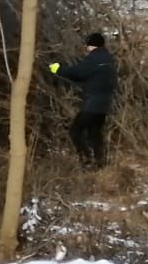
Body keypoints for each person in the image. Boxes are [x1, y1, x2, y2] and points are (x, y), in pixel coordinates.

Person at [48, 32, 117, 168]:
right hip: (104, 104)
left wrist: (58, 69)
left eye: (87, 45)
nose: (86, 48)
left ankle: (86, 159)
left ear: (92, 45)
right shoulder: (108, 59)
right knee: (95, 133)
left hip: (92, 103)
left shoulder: (94, 59)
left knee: (76, 130)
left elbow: (77, 72)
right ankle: (99, 162)